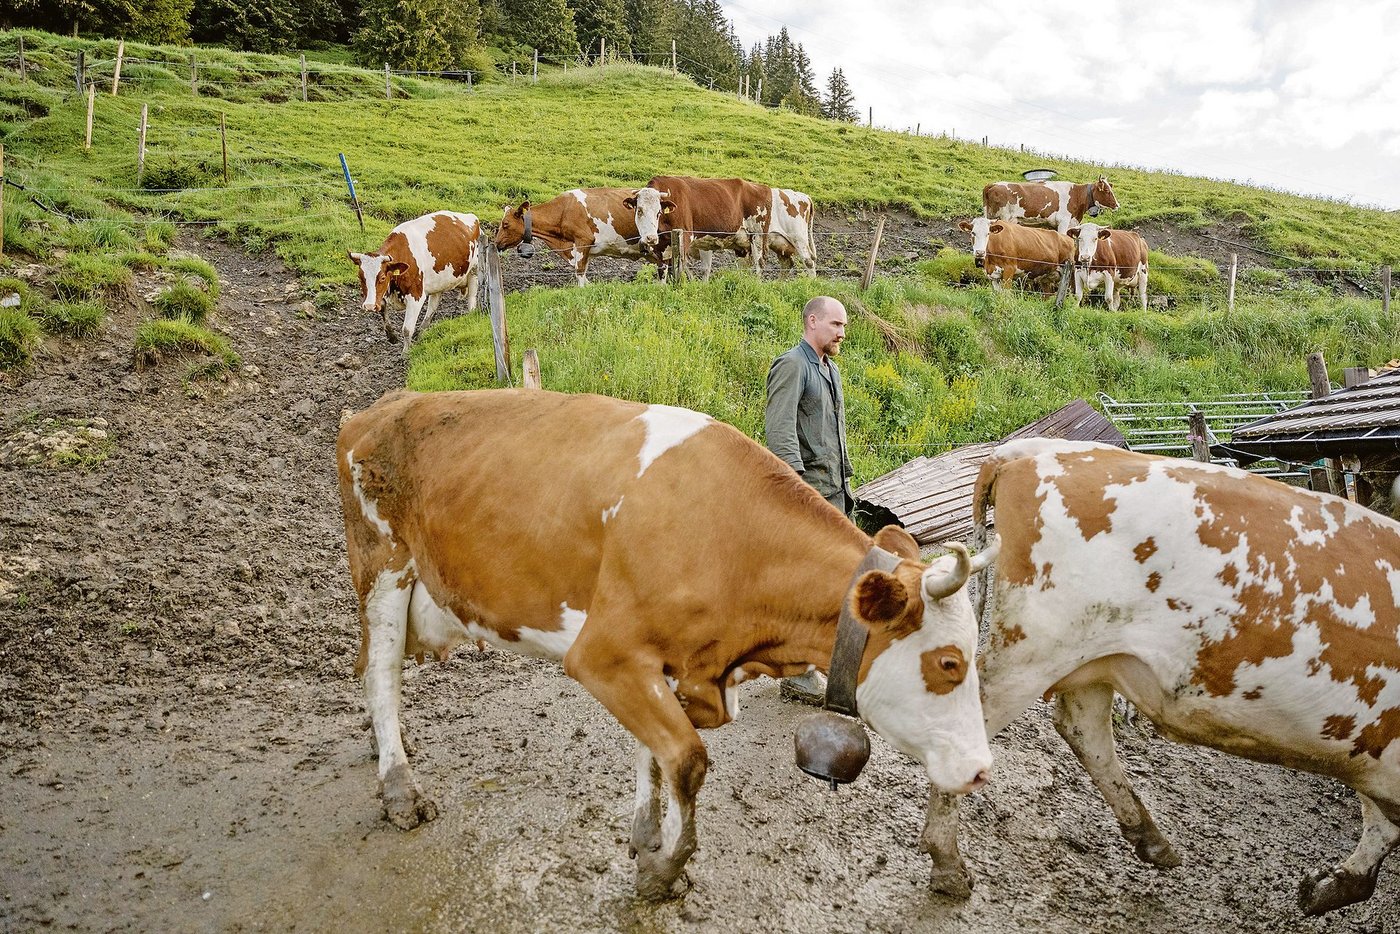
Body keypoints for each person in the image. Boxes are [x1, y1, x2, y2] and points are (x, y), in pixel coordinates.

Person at [764, 295, 853, 705]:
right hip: (809, 495)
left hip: (835, 492)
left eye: (844, 326)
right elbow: (780, 433)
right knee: (806, 586)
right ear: (812, 320)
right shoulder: (793, 365)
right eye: (835, 324)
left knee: (829, 585)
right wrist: (797, 495)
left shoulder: (828, 368)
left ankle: (814, 665)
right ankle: (798, 674)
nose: (841, 333)